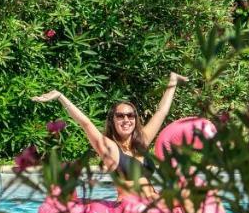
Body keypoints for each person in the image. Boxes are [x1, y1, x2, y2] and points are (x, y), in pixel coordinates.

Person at [32, 72, 188, 202]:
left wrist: (172, 82)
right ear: (113, 121)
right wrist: (61, 97)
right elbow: (86, 124)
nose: (126, 120)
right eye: (120, 116)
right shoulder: (111, 149)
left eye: (130, 115)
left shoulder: (142, 141)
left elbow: (161, 112)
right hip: (129, 209)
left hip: (153, 200)